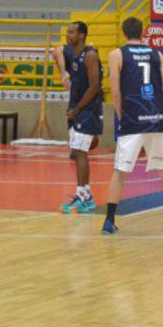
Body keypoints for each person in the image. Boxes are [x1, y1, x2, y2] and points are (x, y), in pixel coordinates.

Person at [102, 17, 163, 235]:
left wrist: (122, 115)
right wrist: (157, 112)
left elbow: (116, 90)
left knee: (120, 171)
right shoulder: (158, 55)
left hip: (132, 118)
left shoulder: (116, 55)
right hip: (156, 117)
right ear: (143, 33)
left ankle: (109, 221)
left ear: (123, 32)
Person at [53, 21, 102, 214]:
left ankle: (85, 198)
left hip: (87, 111)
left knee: (80, 153)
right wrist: (63, 73)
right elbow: (56, 51)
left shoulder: (89, 55)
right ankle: (83, 194)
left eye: (71, 32)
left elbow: (94, 86)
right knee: (75, 153)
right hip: (77, 110)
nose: (68, 36)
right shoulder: (73, 54)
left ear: (82, 35)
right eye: (67, 32)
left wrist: (78, 108)